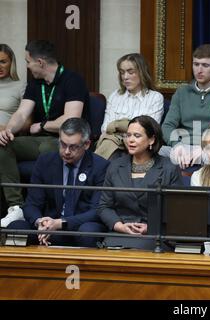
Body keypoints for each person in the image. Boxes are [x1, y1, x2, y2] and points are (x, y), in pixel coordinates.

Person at [0, 40, 89, 224]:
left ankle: (55, 210)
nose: (27, 65)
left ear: (40, 62)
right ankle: (16, 207)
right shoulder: (35, 83)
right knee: (3, 145)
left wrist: (42, 125)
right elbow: (22, 113)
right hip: (38, 140)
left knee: (47, 150)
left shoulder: (73, 80)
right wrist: (8, 130)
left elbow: (71, 120)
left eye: (28, 61)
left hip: (64, 141)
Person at [5, 118, 110, 247]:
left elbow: (98, 211)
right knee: (15, 228)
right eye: (63, 144)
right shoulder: (45, 161)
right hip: (48, 226)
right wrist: (40, 223)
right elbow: (32, 203)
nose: (66, 151)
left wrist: (60, 223)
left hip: (79, 226)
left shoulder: (100, 166)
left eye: (73, 147)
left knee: (89, 232)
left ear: (87, 144)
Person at [97, 115, 183, 249]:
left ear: (152, 139)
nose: (130, 140)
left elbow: (176, 211)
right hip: (120, 233)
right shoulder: (115, 166)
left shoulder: (169, 168)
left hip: (155, 234)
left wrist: (151, 228)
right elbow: (104, 206)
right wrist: (119, 226)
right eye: (128, 135)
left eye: (137, 136)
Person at [161, 44, 210, 169]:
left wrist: (206, 148)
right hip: (183, 146)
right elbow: (167, 126)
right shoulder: (182, 92)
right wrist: (177, 145)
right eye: (196, 64)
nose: (199, 70)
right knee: (154, 153)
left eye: (205, 65)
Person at [95, 53, 164, 160]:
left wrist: (117, 125)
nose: (125, 77)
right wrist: (127, 129)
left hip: (140, 147)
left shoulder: (155, 97)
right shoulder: (115, 96)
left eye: (130, 72)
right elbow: (106, 128)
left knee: (110, 148)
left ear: (142, 73)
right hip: (114, 143)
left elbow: (149, 129)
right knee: (110, 144)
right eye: (122, 73)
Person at [0, 44, 25, 129]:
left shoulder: (21, 86)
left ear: (11, 63)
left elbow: (27, 122)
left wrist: (6, 129)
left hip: (6, 135)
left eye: (3, 62)